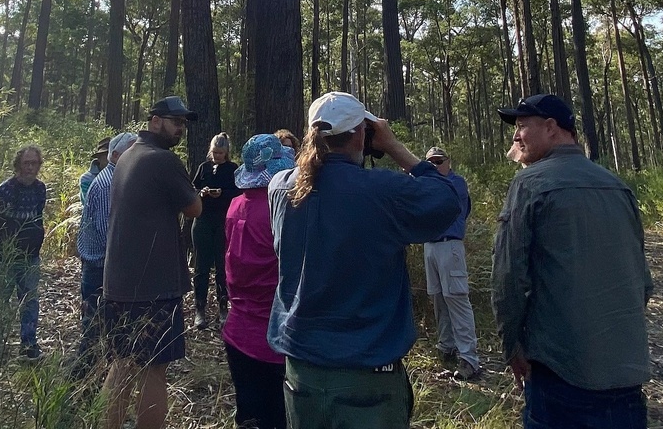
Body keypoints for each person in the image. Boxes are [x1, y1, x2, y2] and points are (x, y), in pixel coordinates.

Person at [268, 91, 461, 429]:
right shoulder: (382, 190)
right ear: (361, 133)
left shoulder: (281, 188)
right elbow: (447, 199)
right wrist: (394, 147)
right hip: (366, 373)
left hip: (301, 371)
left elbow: (308, 180)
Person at [492, 94, 652, 429]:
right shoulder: (618, 187)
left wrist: (512, 346)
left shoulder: (530, 183)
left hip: (560, 373)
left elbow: (508, 277)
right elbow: (642, 281)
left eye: (522, 126)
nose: (515, 136)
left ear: (551, 128)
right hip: (625, 378)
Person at [99, 96, 203, 429]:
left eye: (184, 124)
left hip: (119, 282)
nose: (180, 130)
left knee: (123, 363)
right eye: (176, 122)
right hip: (153, 285)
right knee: (154, 369)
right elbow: (194, 208)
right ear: (155, 121)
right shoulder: (162, 160)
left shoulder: (127, 155)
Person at [222, 135, 296, 429]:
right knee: (277, 418)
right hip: (272, 339)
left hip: (238, 330)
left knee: (248, 416)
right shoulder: (279, 209)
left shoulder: (236, 204)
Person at [73, 131, 138, 378]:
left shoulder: (117, 179)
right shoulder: (108, 184)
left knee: (106, 333)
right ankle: (77, 392)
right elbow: (107, 234)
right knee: (93, 334)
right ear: (116, 155)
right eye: (131, 152)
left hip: (104, 267)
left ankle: (95, 387)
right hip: (100, 268)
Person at [0, 145, 49, 361]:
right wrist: (5, 245)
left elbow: (37, 217)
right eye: (26, 163)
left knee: (29, 301)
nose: (30, 168)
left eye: (34, 163)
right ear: (18, 164)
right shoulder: (6, 190)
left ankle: (28, 346)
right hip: (5, 258)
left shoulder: (40, 189)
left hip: (30, 258)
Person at [421, 146, 481, 381]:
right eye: (431, 162)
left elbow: (457, 209)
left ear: (448, 162)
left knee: (456, 299)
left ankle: (469, 358)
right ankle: (446, 347)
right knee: (438, 299)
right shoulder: (427, 183)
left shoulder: (456, 183)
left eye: (439, 161)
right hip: (431, 245)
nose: (435, 166)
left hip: (450, 245)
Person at [191, 132, 239, 330]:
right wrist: (201, 193)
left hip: (223, 221)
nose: (217, 156)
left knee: (221, 266)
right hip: (202, 220)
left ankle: (223, 307)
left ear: (226, 152)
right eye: (215, 152)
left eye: (221, 153)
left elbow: (238, 192)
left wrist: (222, 193)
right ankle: (199, 309)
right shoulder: (203, 168)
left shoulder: (233, 169)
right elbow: (192, 188)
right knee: (201, 267)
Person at [81, 136, 112, 204]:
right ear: (99, 158)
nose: (110, 159)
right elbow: (89, 203)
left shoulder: (121, 173)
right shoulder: (87, 178)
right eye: (106, 156)